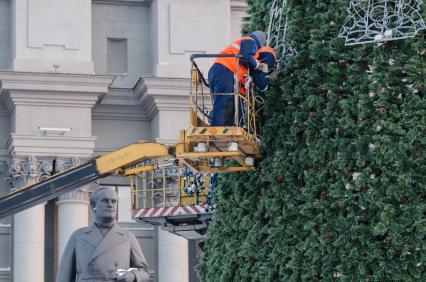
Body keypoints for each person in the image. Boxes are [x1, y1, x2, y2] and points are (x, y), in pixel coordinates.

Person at [57, 187, 149, 282]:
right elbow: (64, 275)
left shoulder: (128, 237)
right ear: (93, 205)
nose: (110, 205)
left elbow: (144, 272)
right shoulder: (78, 236)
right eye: (105, 201)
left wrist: (133, 275)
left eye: (113, 201)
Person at [208, 30, 270, 126]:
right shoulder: (250, 41)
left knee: (229, 105)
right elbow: (245, 58)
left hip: (219, 70)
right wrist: (258, 65)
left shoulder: (244, 44)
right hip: (225, 69)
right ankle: (218, 131)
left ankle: (223, 129)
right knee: (224, 103)